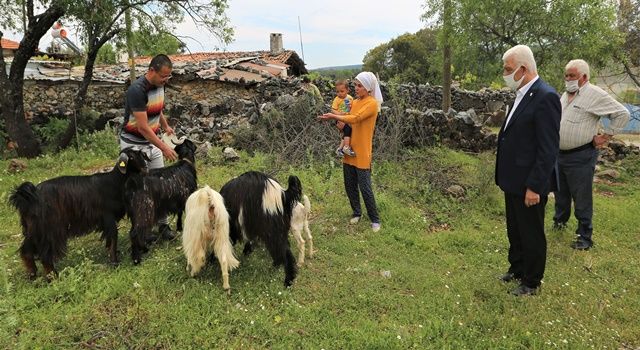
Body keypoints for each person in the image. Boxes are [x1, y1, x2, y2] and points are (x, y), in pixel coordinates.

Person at [495, 45, 561, 296]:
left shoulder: (546, 96)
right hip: (513, 179)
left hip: (529, 183)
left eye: (508, 69)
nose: (505, 73)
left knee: (531, 232)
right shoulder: (522, 94)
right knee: (515, 228)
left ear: (523, 69)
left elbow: (548, 148)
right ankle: (517, 267)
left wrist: (535, 186)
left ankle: (531, 281)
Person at [553, 59, 630, 250]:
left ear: (584, 77)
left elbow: (622, 113)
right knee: (560, 193)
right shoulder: (566, 94)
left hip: (581, 155)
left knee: (581, 196)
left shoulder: (594, 94)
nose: (568, 79)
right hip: (559, 154)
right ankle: (559, 224)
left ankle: (584, 236)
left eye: (572, 76)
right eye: (567, 75)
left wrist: (606, 136)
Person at [120, 54, 178, 241]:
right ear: (151, 71)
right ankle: (141, 230)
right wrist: (164, 147)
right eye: (163, 76)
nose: (166, 80)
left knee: (160, 185)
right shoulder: (136, 90)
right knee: (140, 189)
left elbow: (157, 109)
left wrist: (165, 125)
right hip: (134, 147)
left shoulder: (160, 86)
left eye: (168, 77)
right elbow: (143, 128)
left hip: (151, 144)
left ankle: (163, 225)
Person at [318, 72, 383, 232]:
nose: (356, 88)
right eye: (355, 85)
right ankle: (357, 212)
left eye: (359, 85)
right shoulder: (354, 102)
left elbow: (356, 118)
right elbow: (349, 118)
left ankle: (375, 219)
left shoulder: (372, 104)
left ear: (368, 88)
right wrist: (338, 121)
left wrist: (334, 116)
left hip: (362, 151)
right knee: (349, 185)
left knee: (365, 187)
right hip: (350, 149)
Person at [331, 79, 355, 157]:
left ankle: (340, 149)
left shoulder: (350, 98)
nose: (339, 94)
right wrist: (340, 115)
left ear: (347, 90)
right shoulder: (337, 99)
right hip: (339, 119)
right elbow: (333, 110)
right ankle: (346, 147)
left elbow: (353, 108)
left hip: (347, 119)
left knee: (346, 133)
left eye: (342, 91)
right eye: (337, 92)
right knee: (348, 129)